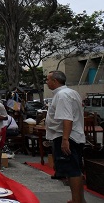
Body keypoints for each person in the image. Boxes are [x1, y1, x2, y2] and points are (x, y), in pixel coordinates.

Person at [45, 70, 86, 203]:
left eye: (48, 79)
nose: (47, 82)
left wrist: (65, 139)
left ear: (55, 81)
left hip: (67, 137)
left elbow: (67, 119)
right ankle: (79, 199)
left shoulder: (62, 95)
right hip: (73, 136)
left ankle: (76, 200)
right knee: (75, 169)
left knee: (71, 170)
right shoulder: (71, 92)